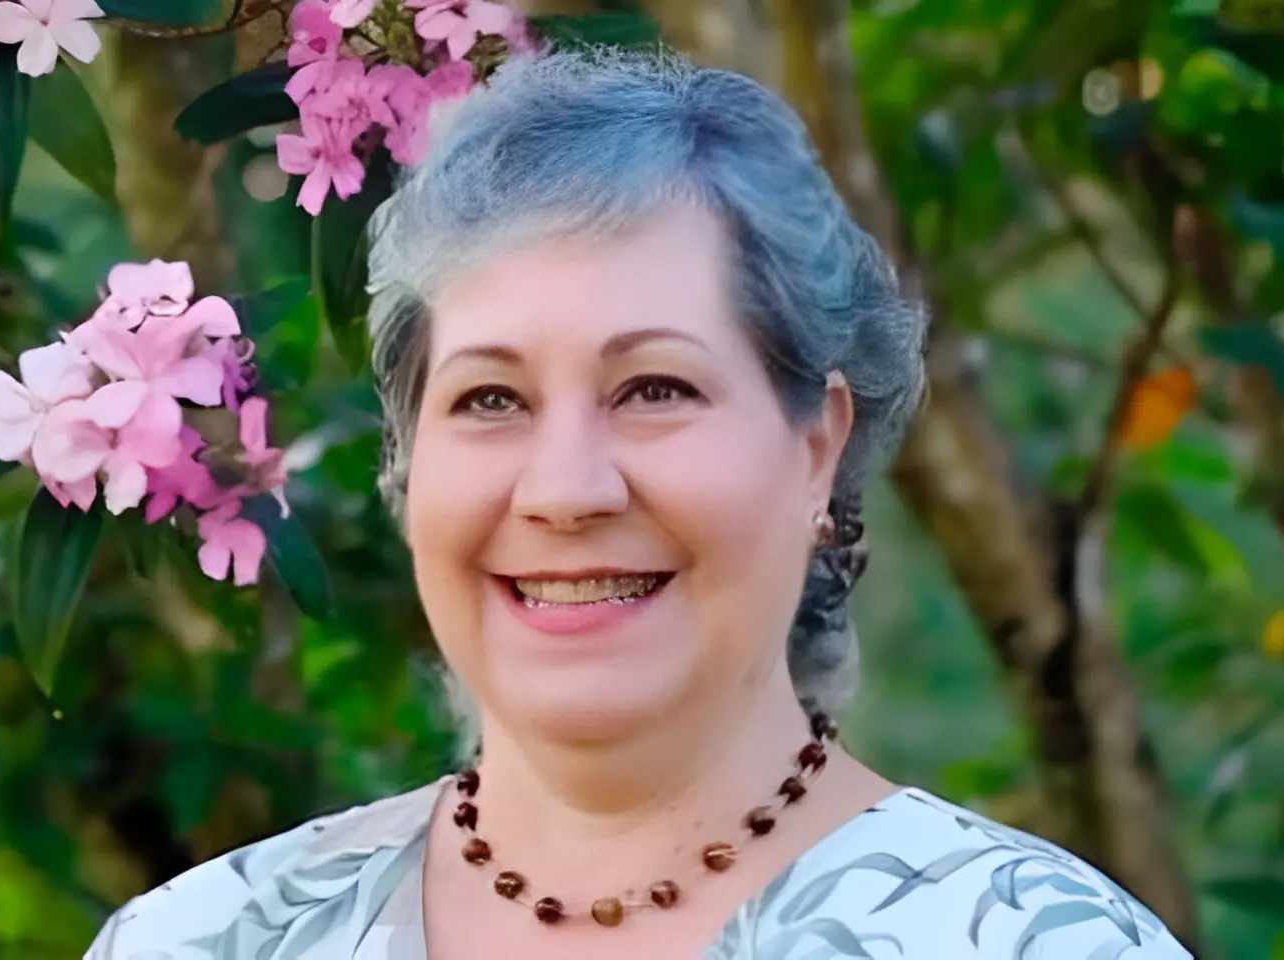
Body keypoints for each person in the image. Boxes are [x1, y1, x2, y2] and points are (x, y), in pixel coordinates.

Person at [85, 47, 1194, 960]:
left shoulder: (1030, 941)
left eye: (654, 389)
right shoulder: (204, 940)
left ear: (817, 447)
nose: (565, 490)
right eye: (489, 399)